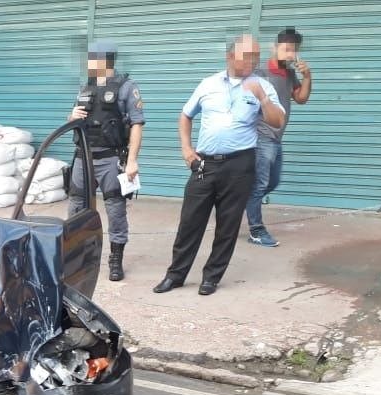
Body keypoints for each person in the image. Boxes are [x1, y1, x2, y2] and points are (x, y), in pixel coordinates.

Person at [153, 34, 285, 296]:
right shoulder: (208, 84)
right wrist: (186, 149)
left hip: (240, 165)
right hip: (204, 164)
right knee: (190, 222)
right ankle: (176, 275)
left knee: (228, 224)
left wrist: (264, 99)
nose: (251, 61)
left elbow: (277, 121)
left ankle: (211, 277)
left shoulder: (262, 86)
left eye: (256, 56)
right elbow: (185, 115)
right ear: (230, 55)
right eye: (246, 55)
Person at [67, 41, 145, 281]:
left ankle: (115, 259)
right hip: (83, 157)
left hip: (111, 158)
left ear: (104, 60)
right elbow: (71, 119)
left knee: (115, 209)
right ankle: (74, 255)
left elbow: (137, 124)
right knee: (75, 208)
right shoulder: (85, 87)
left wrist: (132, 160)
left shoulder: (126, 87)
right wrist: (71, 116)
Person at [245, 27, 312, 247]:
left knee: (272, 182)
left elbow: (301, 99)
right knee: (260, 183)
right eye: (287, 49)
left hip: (276, 138)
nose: (291, 54)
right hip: (261, 135)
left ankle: (237, 203)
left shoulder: (290, 74)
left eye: (294, 50)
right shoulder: (261, 72)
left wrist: (308, 76)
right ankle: (256, 230)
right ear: (275, 48)